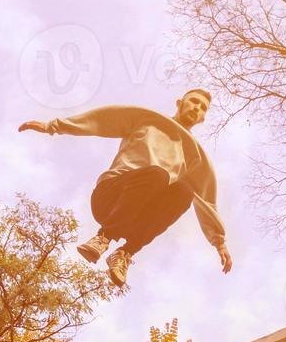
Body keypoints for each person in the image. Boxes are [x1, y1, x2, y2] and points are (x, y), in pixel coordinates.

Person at [18, 89, 233, 286]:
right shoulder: (148, 120)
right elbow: (100, 121)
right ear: (180, 103)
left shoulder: (195, 155)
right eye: (194, 102)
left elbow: (207, 199)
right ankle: (103, 238)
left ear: (203, 118)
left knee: (184, 191)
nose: (197, 108)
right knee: (158, 174)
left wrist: (219, 243)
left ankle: (124, 254)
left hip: (138, 215)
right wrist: (52, 126)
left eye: (203, 107)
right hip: (110, 197)